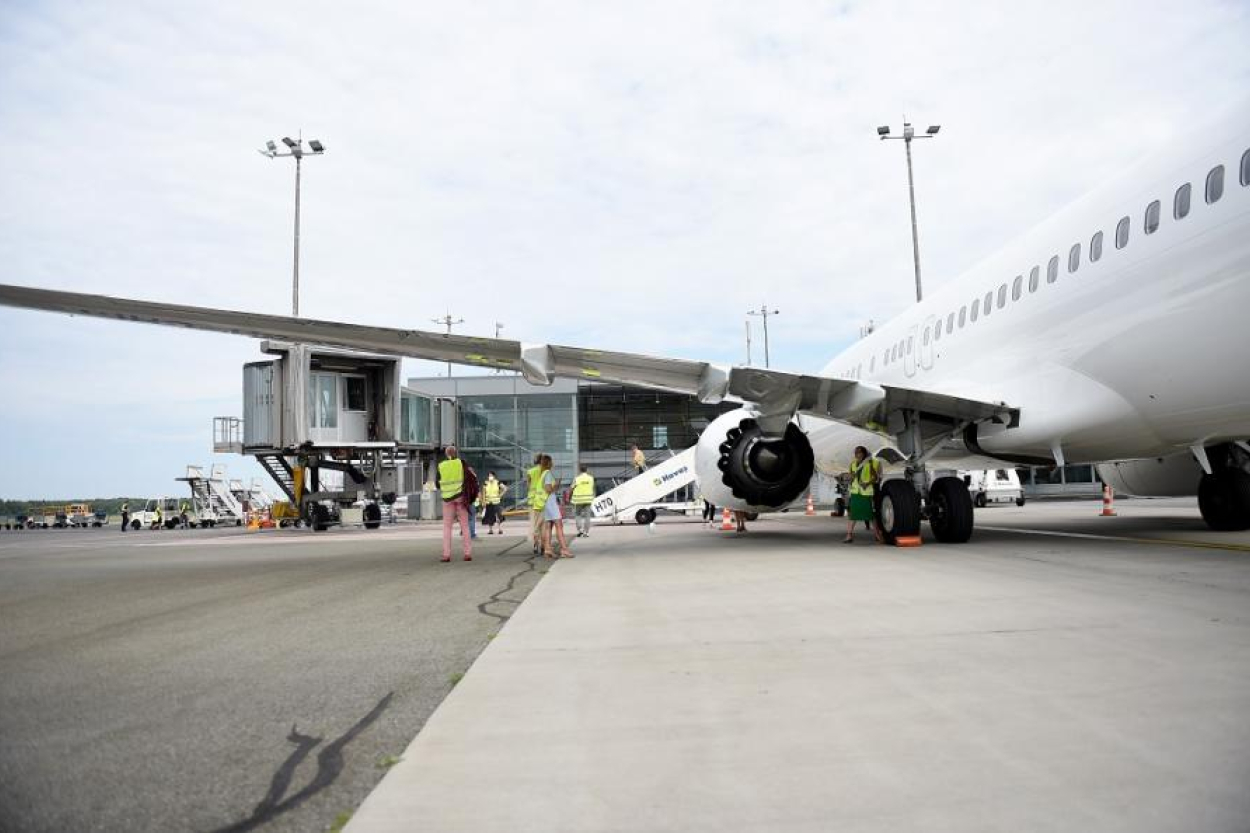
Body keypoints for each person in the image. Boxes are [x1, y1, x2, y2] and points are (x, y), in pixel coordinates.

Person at [436, 446, 473, 562]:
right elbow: (469, 478)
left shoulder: (441, 466)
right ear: (456, 453)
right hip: (460, 497)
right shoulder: (461, 464)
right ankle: (467, 553)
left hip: (447, 499)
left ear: (447, 454)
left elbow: (437, 484)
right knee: (465, 526)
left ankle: (446, 555)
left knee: (447, 527)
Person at [845, 445, 884, 544]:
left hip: (865, 492)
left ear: (864, 453)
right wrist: (850, 477)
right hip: (855, 492)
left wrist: (867, 483)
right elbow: (850, 478)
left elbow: (875, 478)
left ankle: (877, 535)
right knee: (853, 515)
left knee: (870, 515)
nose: (857, 454)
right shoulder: (853, 464)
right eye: (856, 452)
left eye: (859, 452)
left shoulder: (870, 463)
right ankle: (849, 535)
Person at [539, 455, 573, 558]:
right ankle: (564, 549)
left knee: (548, 526)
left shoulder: (542, 474)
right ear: (548, 463)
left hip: (545, 502)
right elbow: (548, 489)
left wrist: (556, 485)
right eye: (551, 461)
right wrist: (557, 483)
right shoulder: (548, 473)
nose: (552, 463)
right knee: (559, 525)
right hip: (550, 503)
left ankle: (548, 549)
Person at [527, 453, 547, 554]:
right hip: (544, 500)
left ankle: (535, 545)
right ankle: (543, 546)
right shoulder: (546, 472)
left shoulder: (530, 472)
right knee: (543, 524)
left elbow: (529, 486)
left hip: (533, 501)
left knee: (534, 524)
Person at [570, 465, 596, 538]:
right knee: (587, 516)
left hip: (578, 500)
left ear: (579, 470)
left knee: (578, 515)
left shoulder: (577, 479)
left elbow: (571, 488)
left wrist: (569, 498)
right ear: (587, 470)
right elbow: (593, 488)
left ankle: (580, 530)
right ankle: (586, 532)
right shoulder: (591, 478)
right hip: (588, 499)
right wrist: (593, 496)